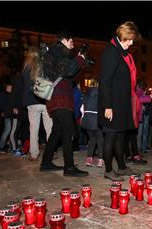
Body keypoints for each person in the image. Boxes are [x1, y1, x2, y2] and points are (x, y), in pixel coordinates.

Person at [40, 31, 88, 177]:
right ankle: (69, 167)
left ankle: (46, 162)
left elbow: (67, 77)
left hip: (57, 98)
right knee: (69, 131)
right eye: (71, 40)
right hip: (60, 98)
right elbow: (66, 70)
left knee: (57, 132)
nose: (73, 43)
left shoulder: (55, 52)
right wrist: (79, 59)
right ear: (64, 40)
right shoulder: (59, 51)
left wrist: (80, 64)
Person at [98, 21, 141, 181]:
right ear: (122, 36)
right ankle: (108, 170)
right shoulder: (111, 52)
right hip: (112, 104)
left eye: (132, 40)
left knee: (120, 137)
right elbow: (105, 81)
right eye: (129, 39)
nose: (131, 43)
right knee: (110, 137)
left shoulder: (122, 53)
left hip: (122, 104)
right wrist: (107, 106)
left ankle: (121, 166)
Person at [20, 47, 52, 161]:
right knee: (49, 127)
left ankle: (34, 154)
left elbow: (24, 85)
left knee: (33, 128)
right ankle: (50, 153)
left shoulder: (26, 68)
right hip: (44, 100)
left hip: (31, 101)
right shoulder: (42, 66)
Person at [81, 78, 104, 167]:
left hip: (87, 121)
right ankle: (100, 160)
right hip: (98, 120)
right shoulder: (101, 95)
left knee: (92, 139)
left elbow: (82, 109)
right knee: (100, 139)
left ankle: (89, 159)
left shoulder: (85, 95)